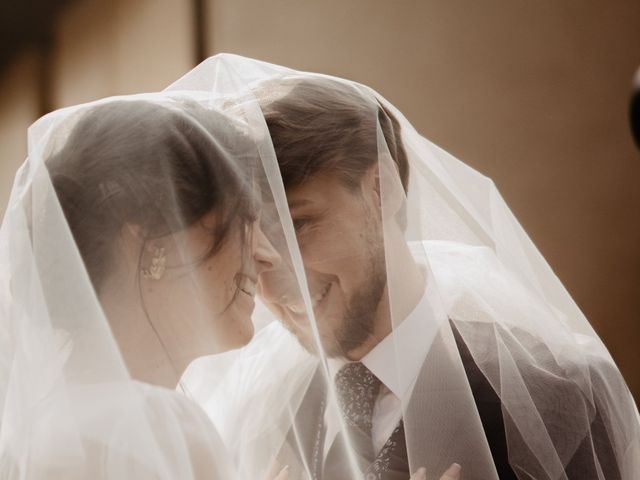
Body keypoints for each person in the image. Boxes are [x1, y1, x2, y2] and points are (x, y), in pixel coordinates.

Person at [167, 54, 640, 480]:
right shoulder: (261, 411)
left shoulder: (564, 393)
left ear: (381, 190)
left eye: (299, 225)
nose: (275, 277)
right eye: (250, 247)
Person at [0, 92, 288, 479]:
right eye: (245, 221)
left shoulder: (36, 431)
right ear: (155, 242)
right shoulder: (158, 427)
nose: (269, 255)